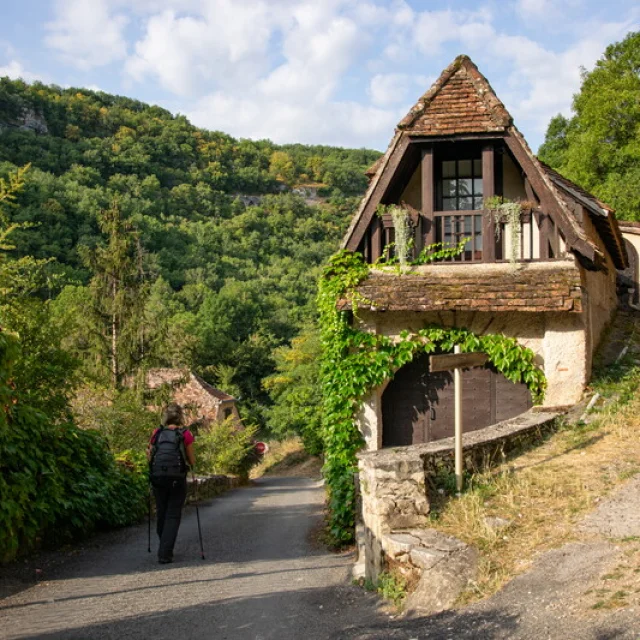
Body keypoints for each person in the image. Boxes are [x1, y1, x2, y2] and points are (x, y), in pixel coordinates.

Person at [147, 403, 196, 564]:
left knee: (162, 512)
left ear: (165, 417)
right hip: (177, 478)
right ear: (180, 416)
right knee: (173, 514)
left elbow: (150, 456)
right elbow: (191, 460)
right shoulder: (185, 434)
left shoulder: (157, 433)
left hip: (158, 477)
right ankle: (165, 552)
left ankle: (164, 546)